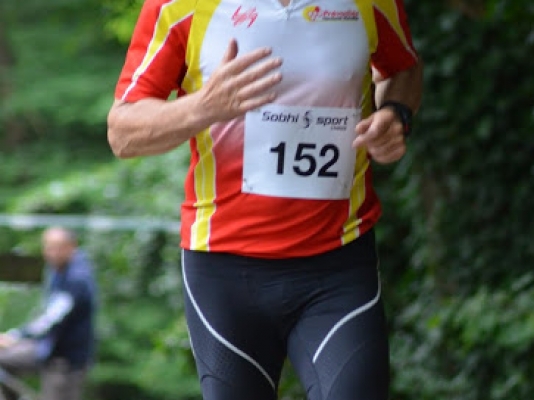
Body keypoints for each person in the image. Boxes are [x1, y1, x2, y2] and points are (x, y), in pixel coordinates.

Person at [107, 1, 422, 399]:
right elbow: (123, 132)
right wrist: (203, 107)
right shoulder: (179, 6)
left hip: (337, 263)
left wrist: (395, 113)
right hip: (224, 270)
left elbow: (403, 68)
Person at [0, 227, 97, 400]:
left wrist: (16, 336)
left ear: (71, 247)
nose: (52, 253)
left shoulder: (76, 278)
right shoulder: (58, 269)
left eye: (58, 247)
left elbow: (52, 318)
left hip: (65, 359)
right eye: (48, 247)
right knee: (4, 359)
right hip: (47, 347)